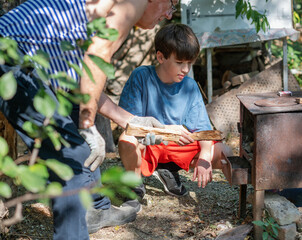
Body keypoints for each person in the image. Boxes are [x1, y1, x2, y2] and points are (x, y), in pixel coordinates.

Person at [0, 0, 179, 239]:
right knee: (70, 154)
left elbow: (81, 84)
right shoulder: (133, 2)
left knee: (76, 112)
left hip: (20, 55)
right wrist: (87, 125)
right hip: (9, 52)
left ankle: (94, 208)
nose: (169, 14)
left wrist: (131, 121)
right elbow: (99, 53)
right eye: (172, 3)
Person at [118, 23, 233, 202]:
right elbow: (131, 125)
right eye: (179, 63)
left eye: (189, 63)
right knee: (126, 140)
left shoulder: (190, 86)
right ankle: (133, 179)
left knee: (224, 151)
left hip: (176, 148)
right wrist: (166, 130)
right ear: (161, 57)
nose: (186, 69)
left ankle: (168, 170)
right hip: (150, 144)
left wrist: (204, 157)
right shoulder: (141, 76)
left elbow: (203, 130)